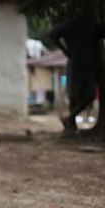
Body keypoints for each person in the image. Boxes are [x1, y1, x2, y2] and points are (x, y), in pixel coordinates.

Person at [49, 2, 105, 137]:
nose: (85, 11)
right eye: (83, 8)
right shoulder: (71, 25)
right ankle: (71, 126)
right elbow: (52, 34)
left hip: (90, 66)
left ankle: (70, 117)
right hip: (76, 65)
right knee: (74, 96)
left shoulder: (93, 26)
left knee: (90, 96)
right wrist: (65, 50)